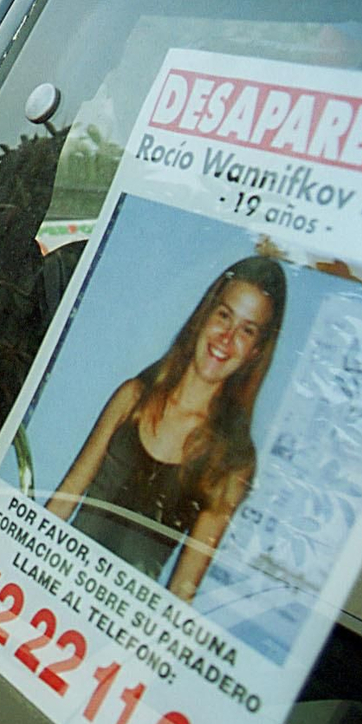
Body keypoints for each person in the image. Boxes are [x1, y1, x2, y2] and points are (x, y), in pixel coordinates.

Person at [45, 255, 287, 602]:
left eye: (247, 331)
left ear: (255, 352)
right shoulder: (132, 400)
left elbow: (182, 588)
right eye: (224, 316)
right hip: (48, 586)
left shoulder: (232, 461)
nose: (226, 337)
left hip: (113, 622)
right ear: (205, 315)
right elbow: (66, 497)